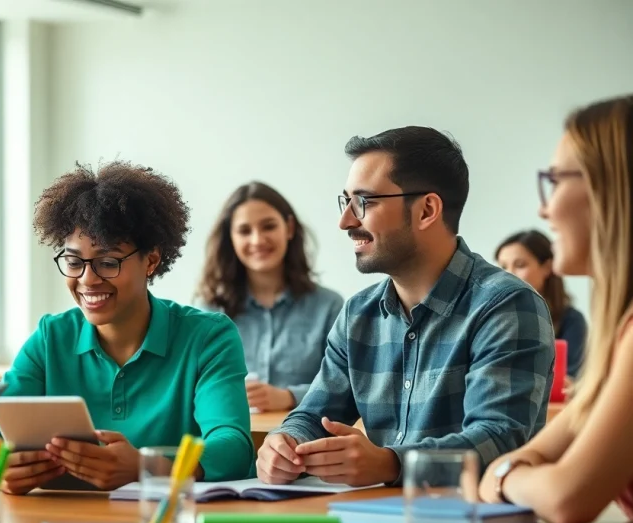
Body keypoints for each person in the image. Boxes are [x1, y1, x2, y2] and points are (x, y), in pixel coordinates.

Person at [256, 126, 554, 487]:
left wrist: (391, 465)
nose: (346, 221)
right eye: (346, 201)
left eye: (364, 202)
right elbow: (312, 415)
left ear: (427, 210)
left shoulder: (506, 305)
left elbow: (500, 439)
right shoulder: (357, 315)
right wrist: (285, 443)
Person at [0, 161, 253, 492]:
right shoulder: (50, 338)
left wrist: (147, 468)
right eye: (73, 262)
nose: (87, 279)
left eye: (107, 262)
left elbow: (232, 446)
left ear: (151, 260)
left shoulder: (208, 337)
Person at [479, 95, 633, 523]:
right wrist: (519, 472)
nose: (543, 208)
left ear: (611, 186)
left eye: (555, 181)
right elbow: (539, 457)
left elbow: (568, 497)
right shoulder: (622, 332)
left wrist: (507, 475)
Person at [197, 181, 343, 412]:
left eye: (268, 226)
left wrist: (289, 397)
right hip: (230, 440)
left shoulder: (330, 307)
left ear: (289, 228)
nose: (257, 240)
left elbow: (346, 385)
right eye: (245, 231)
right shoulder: (209, 310)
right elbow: (194, 386)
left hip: (305, 442)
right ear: (231, 239)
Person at [496, 229, 587, 379]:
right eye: (503, 267)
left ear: (547, 267)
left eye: (520, 265)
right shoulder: (491, 318)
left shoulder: (571, 320)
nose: (508, 274)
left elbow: (569, 379)